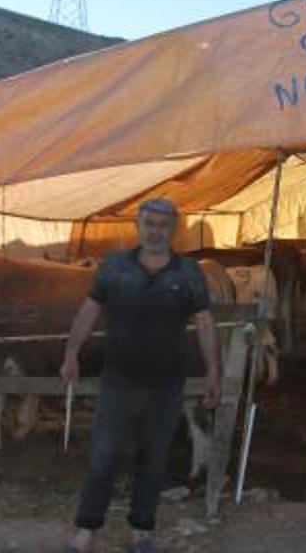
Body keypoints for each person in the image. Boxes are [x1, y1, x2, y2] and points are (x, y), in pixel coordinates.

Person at [59, 198, 221, 553]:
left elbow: (205, 321)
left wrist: (213, 370)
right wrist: (71, 352)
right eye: (149, 224)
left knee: (153, 458)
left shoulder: (188, 272)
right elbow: (90, 310)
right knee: (104, 456)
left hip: (166, 383)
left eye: (163, 225)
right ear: (138, 226)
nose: (156, 231)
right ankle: (86, 530)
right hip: (119, 380)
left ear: (173, 230)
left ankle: (142, 532)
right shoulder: (115, 267)